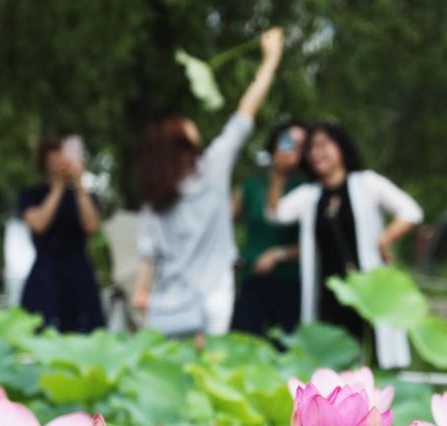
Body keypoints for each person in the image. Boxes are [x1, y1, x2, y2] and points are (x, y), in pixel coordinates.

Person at [133, 28, 284, 339]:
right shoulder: (212, 169)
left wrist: (141, 292)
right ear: (183, 143)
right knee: (206, 378)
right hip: (213, 299)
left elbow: (148, 254)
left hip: (169, 303)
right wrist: (270, 61)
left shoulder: (155, 194)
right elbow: (245, 114)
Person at [267, 122, 423, 368]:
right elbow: (276, 214)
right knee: (332, 365)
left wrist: (386, 239)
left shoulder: (367, 183)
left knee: (374, 357)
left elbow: (411, 212)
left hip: (366, 292)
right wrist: (278, 174)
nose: (316, 153)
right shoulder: (310, 194)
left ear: (341, 147)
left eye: (323, 145)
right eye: (310, 149)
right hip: (327, 295)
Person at [18, 137, 104, 332]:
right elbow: (38, 224)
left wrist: (79, 184)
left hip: (80, 276)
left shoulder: (84, 196)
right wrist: (57, 187)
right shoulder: (32, 194)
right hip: (45, 276)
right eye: (57, 152)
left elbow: (91, 226)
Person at [232, 120, 307, 336]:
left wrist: (279, 254)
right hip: (252, 277)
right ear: (274, 144)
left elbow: (316, 243)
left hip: (290, 282)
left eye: (301, 145)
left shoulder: (305, 189)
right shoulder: (251, 186)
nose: (293, 149)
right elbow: (224, 225)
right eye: (288, 142)